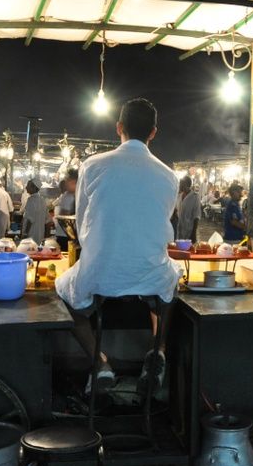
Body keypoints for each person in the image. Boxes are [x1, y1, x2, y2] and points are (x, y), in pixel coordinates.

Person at [55, 98, 179, 394]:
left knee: (65, 294)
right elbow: (161, 220)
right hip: (150, 274)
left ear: (118, 127)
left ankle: (100, 365)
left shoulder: (92, 165)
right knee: (170, 286)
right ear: (153, 132)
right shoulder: (169, 175)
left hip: (100, 273)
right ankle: (157, 351)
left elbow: (83, 221)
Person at [53, 171, 77, 251]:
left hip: (71, 236)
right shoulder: (67, 196)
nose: (66, 183)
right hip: (65, 235)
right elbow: (64, 218)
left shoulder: (76, 195)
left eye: (67, 180)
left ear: (74, 181)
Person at [174, 176, 201, 243]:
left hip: (189, 231)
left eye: (181, 183)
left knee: (188, 250)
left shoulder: (195, 197)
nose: (179, 185)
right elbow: (176, 210)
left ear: (186, 184)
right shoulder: (179, 196)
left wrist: (193, 233)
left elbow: (196, 216)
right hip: (179, 230)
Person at [21, 180, 47, 245]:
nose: (26, 187)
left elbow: (29, 219)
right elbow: (48, 220)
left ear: (34, 188)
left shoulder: (31, 200)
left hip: (31, 235)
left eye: (28, 186)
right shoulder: (42, 200)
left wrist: (25, 233)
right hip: (40, 235)